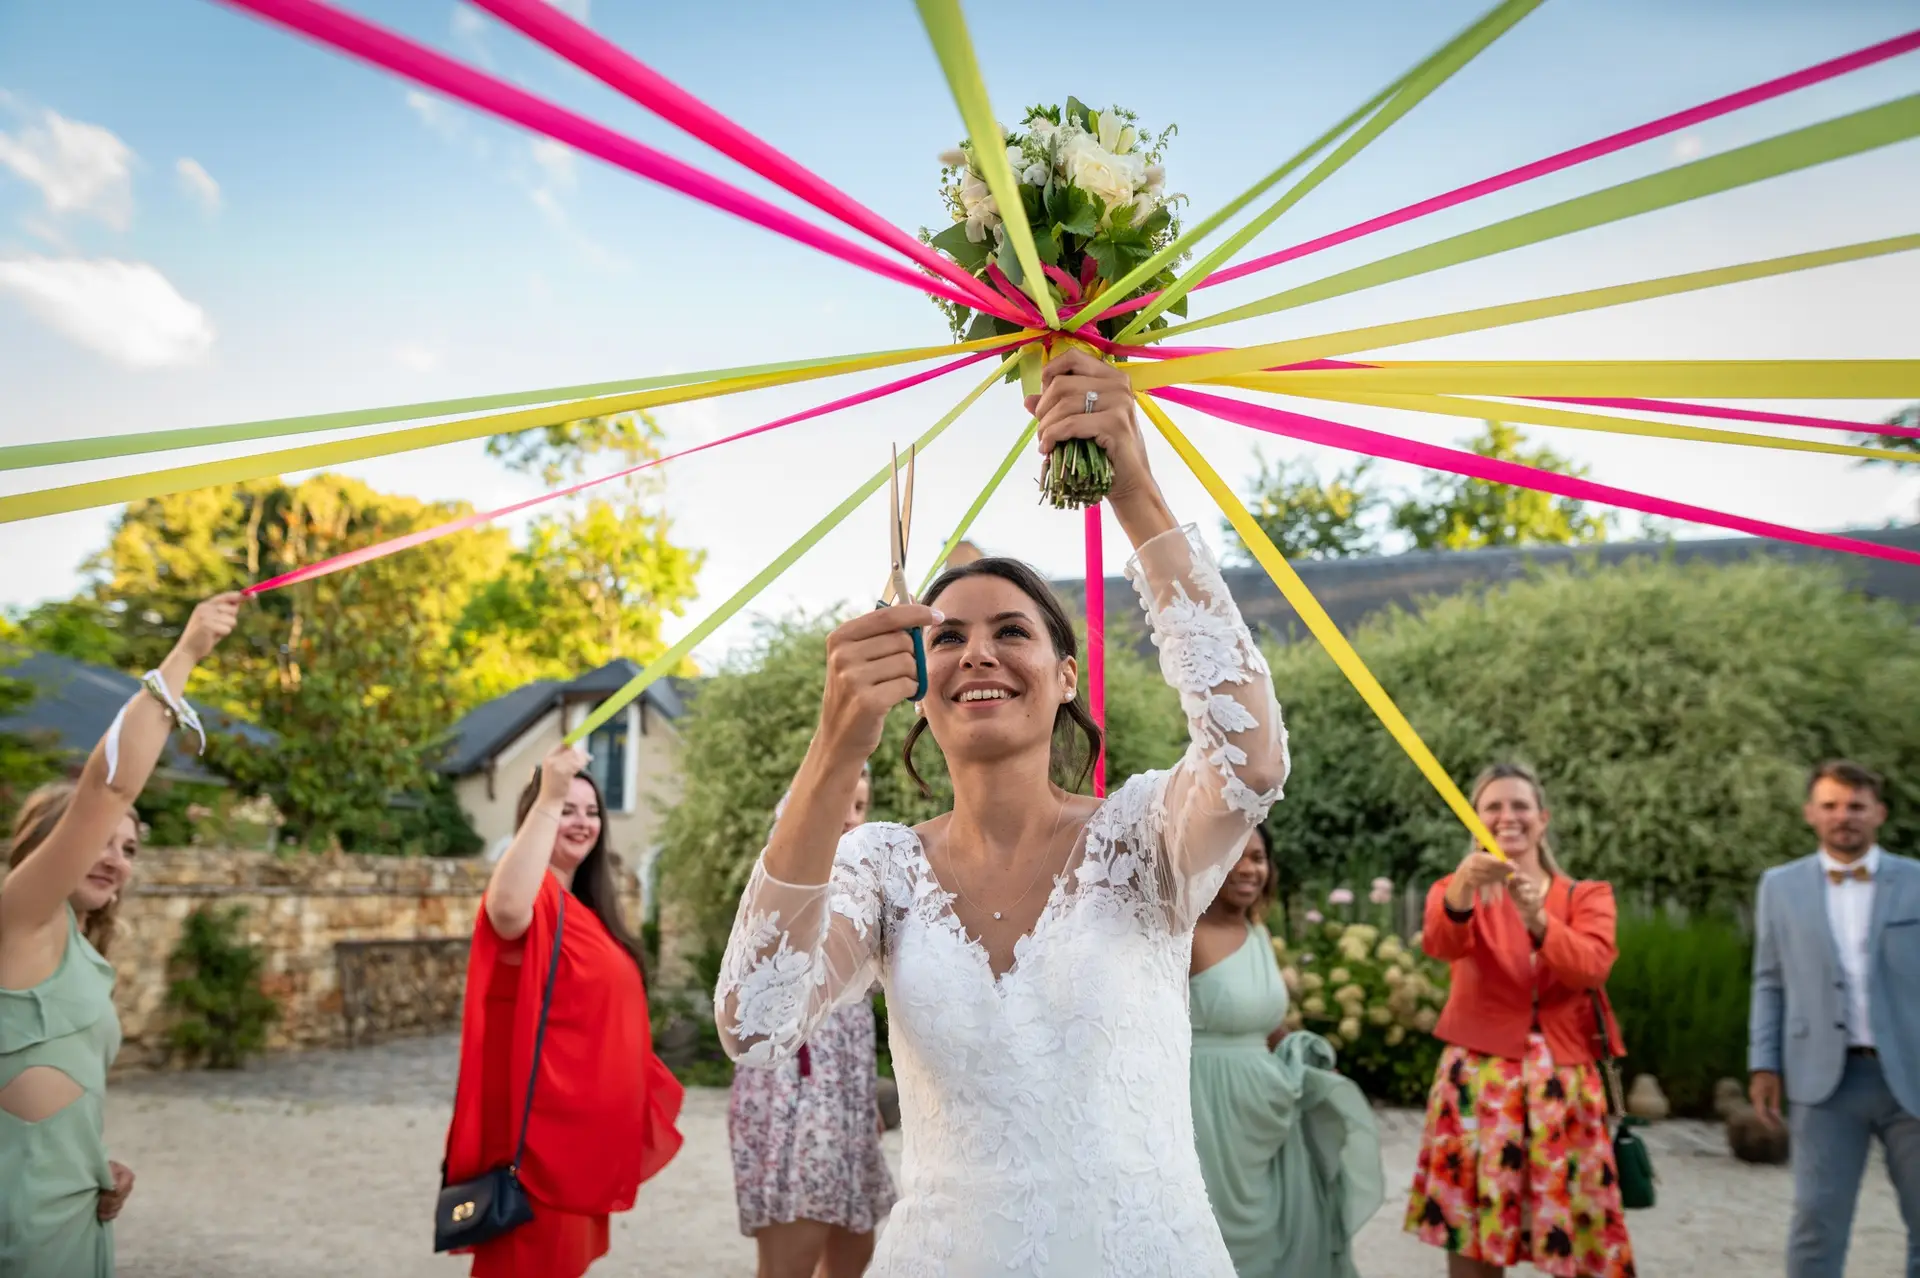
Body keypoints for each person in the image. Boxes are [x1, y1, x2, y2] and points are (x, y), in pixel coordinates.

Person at [713, 348, 1290, 1276]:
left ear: (1066, 678)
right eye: (948, 637)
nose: (977, 653)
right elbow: (754, 1022)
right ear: (918, 683)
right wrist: (832, 752)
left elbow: (1250, 760)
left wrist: (1133, 485)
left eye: (1011, 630)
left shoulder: (1139, 838)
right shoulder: (881, 867)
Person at [1, 592, 240, 1278]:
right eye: (99, 843)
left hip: (74, 1213)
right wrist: (187, 653)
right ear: (47, 847)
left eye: (130, 850)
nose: (114, 857)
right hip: (20, 1233)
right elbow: (107, 790)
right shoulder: (20, 919)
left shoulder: (77, 949)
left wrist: (94, 1165)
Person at [443, 744, 685, 1277]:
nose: (581, 822)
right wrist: (547, 795)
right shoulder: (536, 904)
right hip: (540, 1154)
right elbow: (505, 909)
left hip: (581, 1151)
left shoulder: (588, 913)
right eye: (566, 809)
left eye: (591, 811)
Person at [1404, 762, 1635, 1278]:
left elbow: (1591, 969)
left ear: (1542, 819)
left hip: (1564, 1083)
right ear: (1475, 820)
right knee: (1473, 1227)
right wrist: (1463, 889)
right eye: (1493, 807)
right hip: (1478, 1082)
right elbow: (1443, 944)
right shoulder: (1452, 889)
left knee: (1577, 1229)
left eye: (1520, 806)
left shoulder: (1587, 896)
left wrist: (1540, 921)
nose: (1507, 816)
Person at [1749, 759, 1920, 1278]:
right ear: (1810, 814)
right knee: (1816, 1221)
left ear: (1879, 814)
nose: (1843, 816)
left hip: (1912, 1077)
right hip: (1823, 1082)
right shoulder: (1779, 886)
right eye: (1830, 806)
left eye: (1855, 806)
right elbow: (1769, 980)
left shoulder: (1916, 882)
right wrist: (1764, 1063)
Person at [1188, 824, 1383, 1278]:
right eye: (1237, 855)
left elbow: (1265, 1021)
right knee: (1217, 1237)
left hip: (1267, 1107)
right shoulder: (1187, 934)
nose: (1250, 868)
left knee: (1283, 1235)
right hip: (1207, 1110)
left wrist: (1302, 1059)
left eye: (1259, 857)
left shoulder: (1256, 931)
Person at [729, 766, 897, 1278]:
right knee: (789, 1262)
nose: (850, 817)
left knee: (856, 1251)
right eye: (842, 801)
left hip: (845, 1098)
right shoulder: (788, 890)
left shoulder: (866, 887)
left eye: (860, 806)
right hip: (790, 1101)